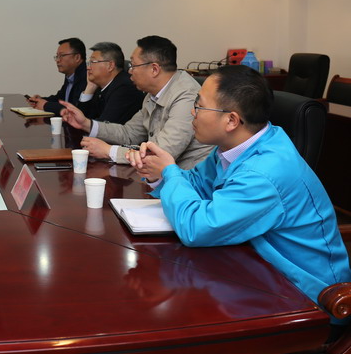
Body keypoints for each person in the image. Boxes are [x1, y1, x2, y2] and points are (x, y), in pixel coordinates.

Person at [127, 65, 351, 319]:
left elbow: (197, 228)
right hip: (253, 266)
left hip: (310, 297)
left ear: (232, 120)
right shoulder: (236, 147)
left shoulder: (264, 173)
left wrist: (170, 172)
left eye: (199, 106)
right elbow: (198, 184)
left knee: (172, 310)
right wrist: (158, 173)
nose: (192, 112)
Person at [60, 35, 212, 169]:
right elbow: (129, 133)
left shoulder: (186, 96)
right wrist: (86, 123)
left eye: (133, 65)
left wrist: (109, 151)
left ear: (154, 69)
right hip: (161, 176)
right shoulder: (152, 95)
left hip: (189, 181)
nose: (129, 71)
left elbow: (162, 153)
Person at [75, 42, 143, 124]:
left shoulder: (125, 88)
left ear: (110, 66)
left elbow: (105, 126)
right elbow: (80, 120)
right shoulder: (100, 86)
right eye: (89, 63)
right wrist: (89, 88)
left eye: (93, 62)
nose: (88, 67)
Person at [27, 38, 88, 115]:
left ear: (77, 57)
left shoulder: (87, 78)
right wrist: (40, 100)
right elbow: (60, 99)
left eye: (62, 55)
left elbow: (76, 108)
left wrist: (46, 105)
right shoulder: (71, 75)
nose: (57, 60)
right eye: (57, 56)